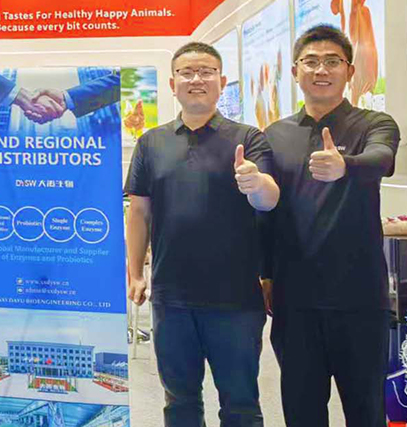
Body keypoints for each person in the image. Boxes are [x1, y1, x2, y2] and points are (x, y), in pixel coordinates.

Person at [125, 42, 279, 427]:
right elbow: (139, 212)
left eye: (207, 71)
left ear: (222, 82)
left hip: (235, 299)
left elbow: (269, 199)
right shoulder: (151, 143)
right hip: (172, 299)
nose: (197, 79)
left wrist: (256, 182)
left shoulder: (248, 138)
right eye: (187, 72)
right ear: (172, 83)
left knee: (241, 403)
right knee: (179, 402)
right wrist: (136, 272)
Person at [263, 25, 400, 426]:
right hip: (295, 300)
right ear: (295, 71)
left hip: (359, 298)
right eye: (311, 61)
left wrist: (346, 165)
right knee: (302, 411)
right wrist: (264, 273)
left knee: (366, 410)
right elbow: (267, 213)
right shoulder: (275, 135)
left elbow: (382, 158)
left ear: (349, 70)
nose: (321, 70)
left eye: (332, 61)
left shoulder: (374, 124)